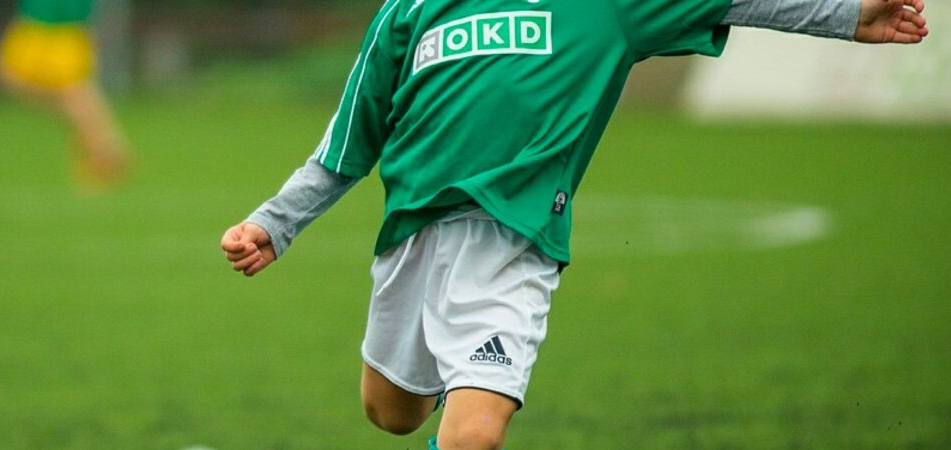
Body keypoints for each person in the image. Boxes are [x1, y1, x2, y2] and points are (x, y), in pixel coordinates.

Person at [220, 0, 928, 448]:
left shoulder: (606, 7)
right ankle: (450, 373)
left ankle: (471, 378)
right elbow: (349, 141)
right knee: (391, 414)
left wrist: (849, 15)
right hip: (411, 241)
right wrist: (272, 225)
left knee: (473, 438)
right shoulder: (408, 11)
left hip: (512, 246)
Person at [0, 0, 130, 190]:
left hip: (61, 23)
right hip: (42, 21)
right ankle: (100, 139)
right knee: (16, 79)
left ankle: (104, 149)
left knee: (73, 91)